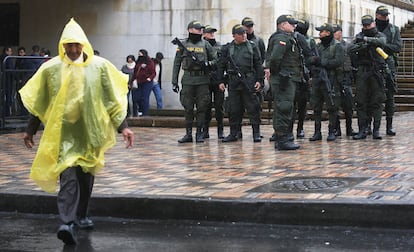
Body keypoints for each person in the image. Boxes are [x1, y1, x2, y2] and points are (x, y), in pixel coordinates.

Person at [19, 18, 134, 245]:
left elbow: (112, 100)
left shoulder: (99, 66)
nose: (72, 49)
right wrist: (30, 130)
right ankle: (68, 223)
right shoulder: (51, 69)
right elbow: (41, 103)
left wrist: (124, 127)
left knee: (85, 178)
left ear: (84, 45)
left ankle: (81, 214)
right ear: (62, 45)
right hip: (63, 135)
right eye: (68, 45)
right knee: (68, 177)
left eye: (76, 45)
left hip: (91, 134)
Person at [172, 20, 217, 143]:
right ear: (190, 30)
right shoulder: (183, 45)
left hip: (202, 80)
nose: (200, 31)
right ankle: (188, 134)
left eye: (201, 29)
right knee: (188, 108)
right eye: (198, 29)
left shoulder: (206, 44)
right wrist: (174, 81)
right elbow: (177, 63)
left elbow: (216, 60)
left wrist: (207, 64)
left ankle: (199, 133)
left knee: (202, 107)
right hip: (188, 80)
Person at [217, 24, 263, 143]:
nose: (244, 36)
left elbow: (258, 64)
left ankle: (256, 133)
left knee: (253, 108)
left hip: (249, 81)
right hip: (233, 82)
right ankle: (234, 133)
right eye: (241, 34)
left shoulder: (252, 47)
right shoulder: (227, 48)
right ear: (234, 36)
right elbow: (221, 65)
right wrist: (221, 81)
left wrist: (259, 80)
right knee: (234, 109)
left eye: (245, 33)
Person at [349, 15, 387, 140]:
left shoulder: (378, 35)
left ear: (373, 24)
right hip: (363, 71)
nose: (366, 27)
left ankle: (376, 130)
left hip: (376, 71)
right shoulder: (358, 37)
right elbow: (349, 48)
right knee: (361, 101)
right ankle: (362, 130)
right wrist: (362, 45)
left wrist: (366, 39)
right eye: (364, 25)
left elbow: (382, 42)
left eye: (368, 25)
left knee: (376, 101)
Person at [266, 15, 301, 150]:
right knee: (284, 107)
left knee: (286, 107)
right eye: (291, 24)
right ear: (282, 25)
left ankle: (286, 137)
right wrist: (277, 73)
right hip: (283, 79)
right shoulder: (281, 38)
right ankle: (282, 139)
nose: (294, 26)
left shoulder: (288, 38)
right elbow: (275, 59)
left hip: (288, 78)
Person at [308, 23, 344, 142]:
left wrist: (322, 62)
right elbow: (310, 60)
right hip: (318, 79)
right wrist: (313, 62)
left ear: (328, 33)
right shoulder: (318, 47)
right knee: (316, 107)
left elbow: (338, 61)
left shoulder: (337, 46)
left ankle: (331, 131)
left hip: (331, 80)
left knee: (332, 107)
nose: (319, 34)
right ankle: (317, 132)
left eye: (321, 32)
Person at [375, 5, 402, 136]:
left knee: (390, 96)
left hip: (389, 64)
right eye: (382, 15)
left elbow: (397, 46)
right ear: (377, 15)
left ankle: (389, 126)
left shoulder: (393, 29)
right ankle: (371, 126)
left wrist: (381, 44)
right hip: (373, 64)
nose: (385, 17)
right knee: (372, 96)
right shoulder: (370, 28)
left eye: (386, 15)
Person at [332, 24, 357, 137]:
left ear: (340, 33)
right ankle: (336, 129)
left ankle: (349, 128)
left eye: (335, 32)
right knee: (335, 105)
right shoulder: (331, 47)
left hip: (346, 77)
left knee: (348, 105)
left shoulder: (347, 46)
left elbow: (353, 61)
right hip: (335, 78)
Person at [203, 25, 225, 139]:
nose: (212, 34)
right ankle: (205, 130)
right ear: (204, 34)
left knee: (219, 106)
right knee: (205, 106)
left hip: (217, 79)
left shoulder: (219, 46)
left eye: (213, 32)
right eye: (209, 32)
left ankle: (220, 130)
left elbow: (222, 62)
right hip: (205, 79)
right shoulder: (201, 46)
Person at [131, 49, 155, 116]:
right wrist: (131, 81)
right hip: (138, 82)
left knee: (145, 98)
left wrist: (149, 78)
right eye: (138, 55)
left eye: (140, 54)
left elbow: (153, 72)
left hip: (147, 82)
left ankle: (145, 113)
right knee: (137, 98)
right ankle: (140, 110)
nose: (139, 56)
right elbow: (135, 73)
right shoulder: (138, 62)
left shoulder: (150, 62)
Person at [0, 46, 14, 116]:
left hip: (2, 80)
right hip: (8, 80)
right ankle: (7, 113)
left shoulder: (1, 58)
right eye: (10, 51)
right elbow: (11, 70)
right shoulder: (8, 59)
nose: (11, 53)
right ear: (6, 51)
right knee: (8, 96)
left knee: (2, 96)